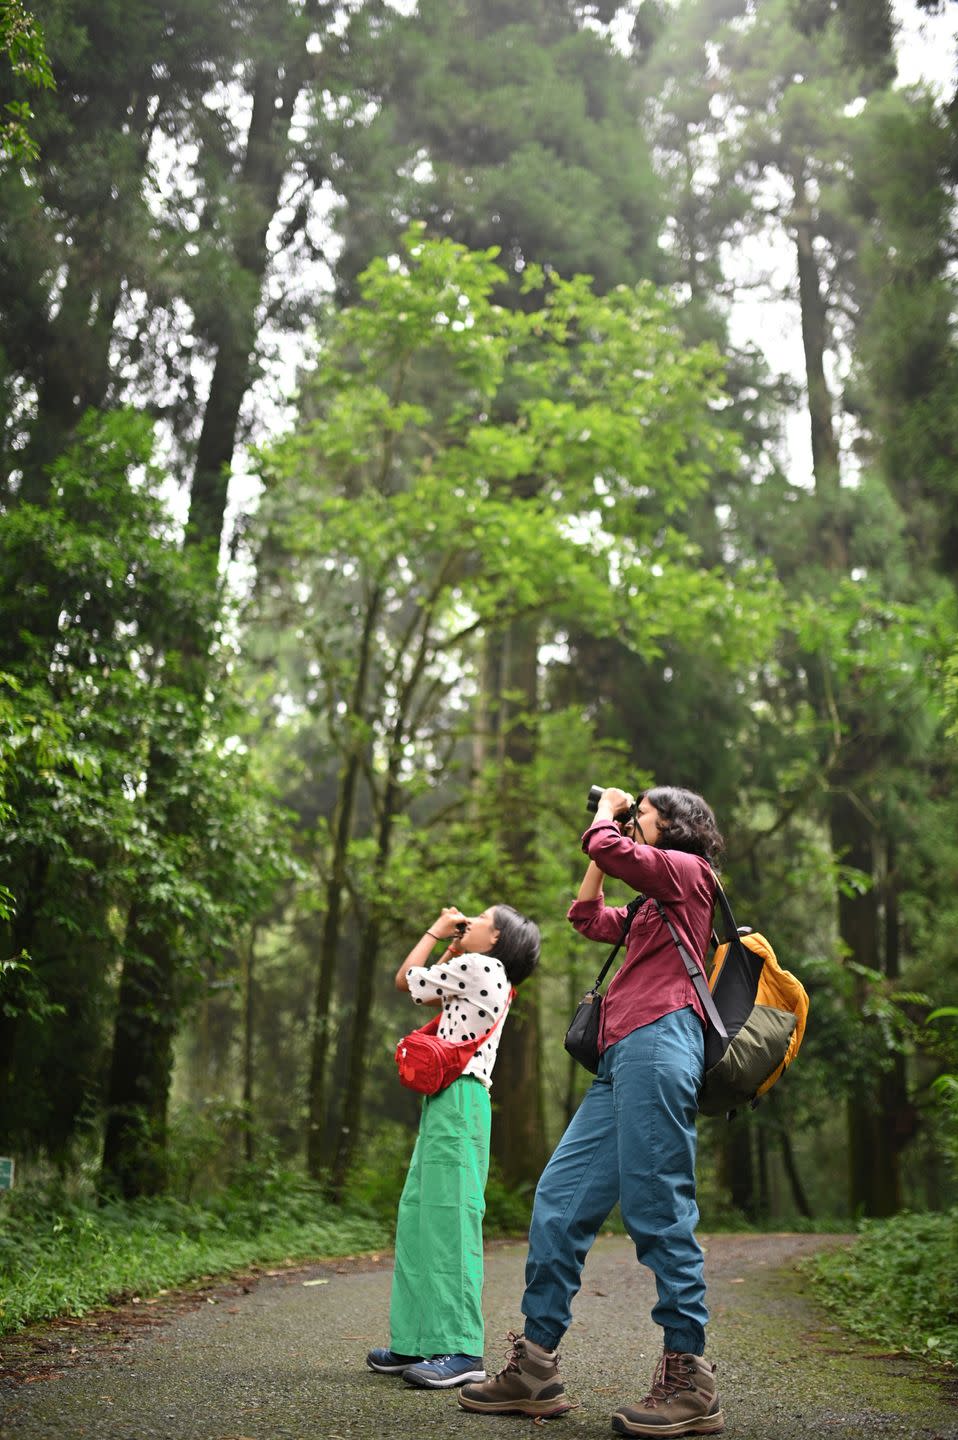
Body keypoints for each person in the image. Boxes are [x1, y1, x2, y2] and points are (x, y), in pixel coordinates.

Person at [459, 786, 725, 1438]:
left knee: (656, 1206)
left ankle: (690, 1381)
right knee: (558, 1200)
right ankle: (535, 1369)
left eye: (647, 818)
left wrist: (608, 813)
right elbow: (584, 914)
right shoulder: (650, 905)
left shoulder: (691, 876)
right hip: (619, 1060)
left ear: (677, 827)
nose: (635, 825)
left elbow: (607, 843)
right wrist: (611, 833)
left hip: (662, 1044)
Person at [366, 901, 541, 1390]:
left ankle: (462, 1349)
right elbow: (431, 986)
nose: (471, 921)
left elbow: (406, 980)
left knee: (449, 1221)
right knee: (419, 1215)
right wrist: (451, 942)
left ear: (496, 941)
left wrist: (435, 930)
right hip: (450, 1101)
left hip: (459, 1101)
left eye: (482, 919)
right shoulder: (477, 967)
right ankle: (417, 1340)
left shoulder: (483, 965)